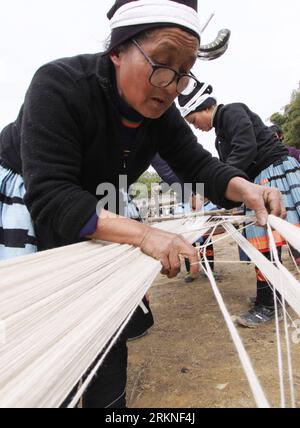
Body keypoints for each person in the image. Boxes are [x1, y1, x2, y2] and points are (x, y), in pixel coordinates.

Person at [0, 0, 285, 407]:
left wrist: (245, 188)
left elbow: (198, 165)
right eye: (163, 63)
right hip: (33, 202)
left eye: (185, 72)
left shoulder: (160, 115)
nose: (172, 84)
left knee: (105, 323)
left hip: (97, 207)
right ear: (117, 51)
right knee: (44, 332)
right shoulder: (59, 84)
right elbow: (51, 196)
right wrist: (145, 234)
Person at [178, 81, 300, 328]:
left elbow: (245, 150)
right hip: (257, 184)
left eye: (193, 121)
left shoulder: (233, 111)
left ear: (203, 108)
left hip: (275, 176)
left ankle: (269, 303)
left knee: (281, 241)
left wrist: (214, 189)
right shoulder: (219, 138)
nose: (197, 127)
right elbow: (230, 169)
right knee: (262, 245)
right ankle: (271, 296)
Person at [269, 125, 300, 266]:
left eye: (273, 135)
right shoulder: (264, 157)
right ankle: (276, 262)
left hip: (294, 199)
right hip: (274, 202)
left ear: (280, 136)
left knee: (294, 229)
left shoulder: (292, 153)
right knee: (274, 233)